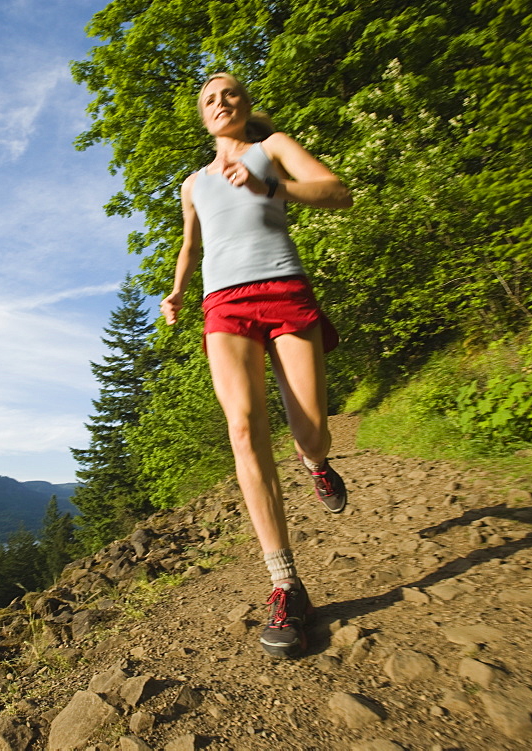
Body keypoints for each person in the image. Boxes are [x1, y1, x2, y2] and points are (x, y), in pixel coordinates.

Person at [161, 73, 352, 659]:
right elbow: (191, 244)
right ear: (203, 116)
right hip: (224, 305)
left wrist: (276, 190)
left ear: (245, 106)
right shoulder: (193, 183)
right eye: (210, 98)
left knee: (309, 430)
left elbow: (337, 190)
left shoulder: (274, 150)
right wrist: (175, 291)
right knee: (243, 429)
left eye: (231, 93)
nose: (221, 101)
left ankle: (314, 461)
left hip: (286, 292)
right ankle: (285, 583)